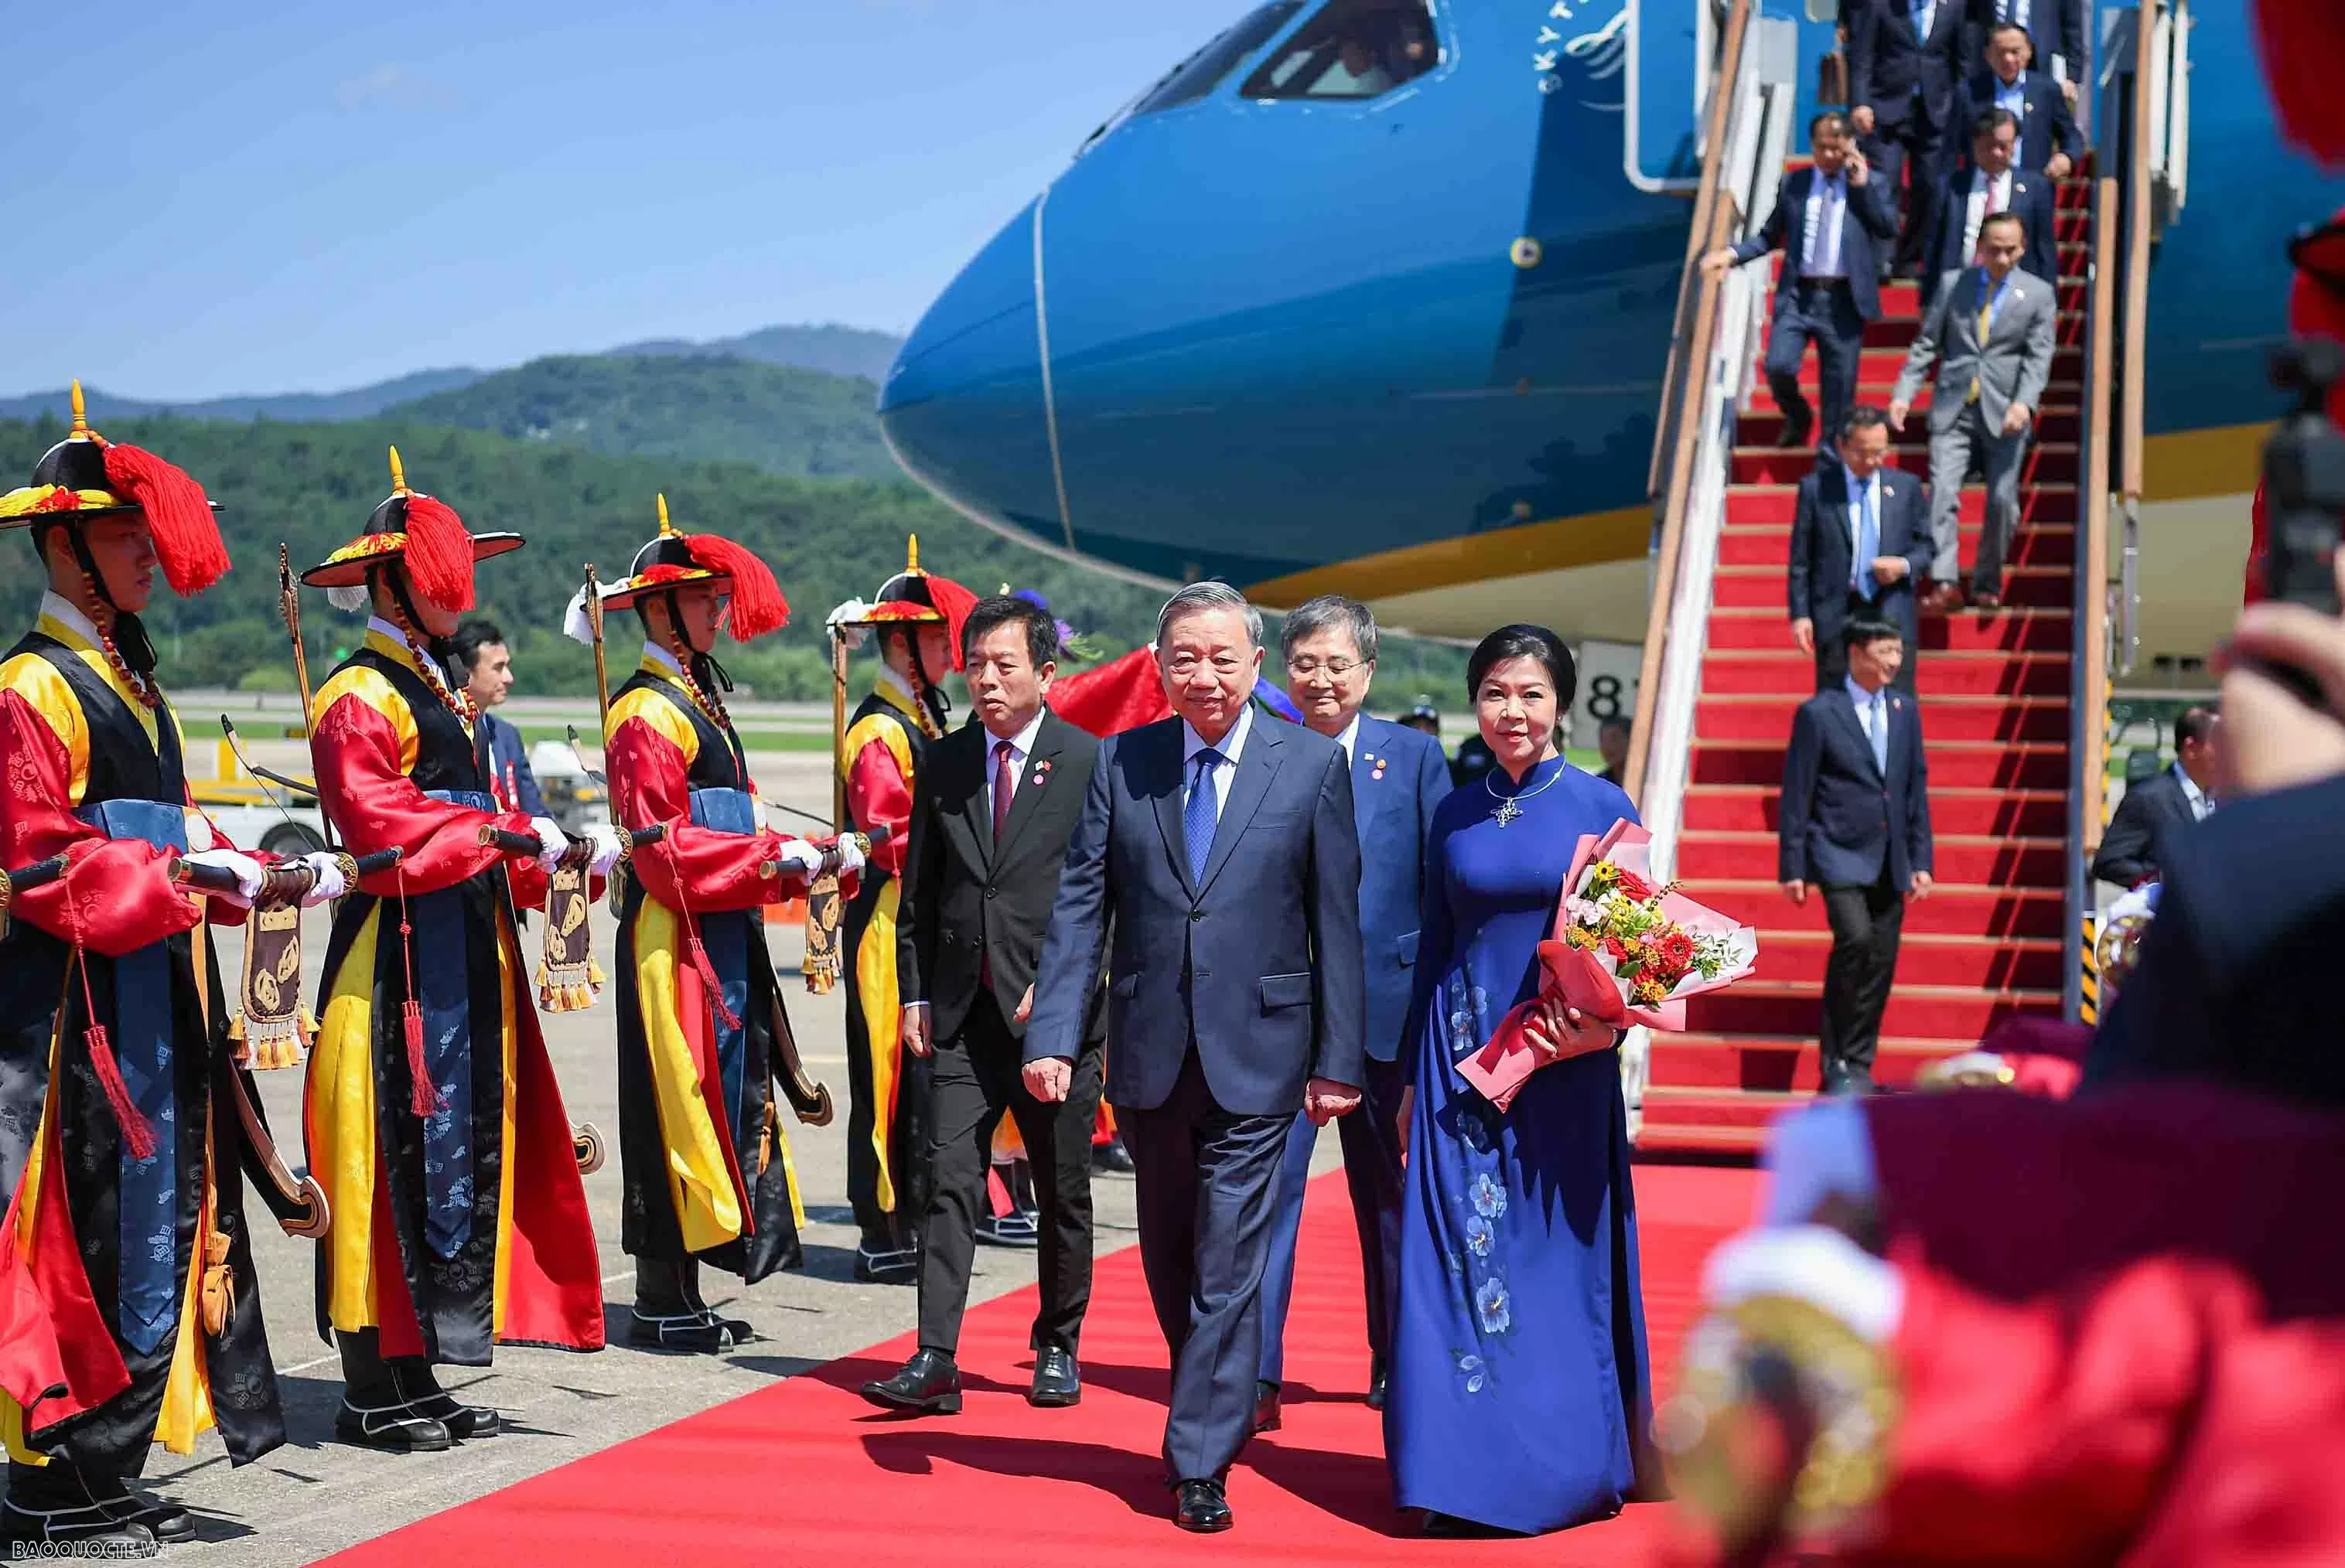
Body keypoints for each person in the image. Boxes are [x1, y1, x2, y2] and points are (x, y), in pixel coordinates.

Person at [0, 393, 326, 1549]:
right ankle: (49, 1479)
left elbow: (180, 825)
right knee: (83, 1229)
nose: (150, 550)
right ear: (64, 543)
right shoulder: (32, 688)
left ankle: (105, 1462)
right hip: (78, 1010)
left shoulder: (133, 684)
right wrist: (184, 878)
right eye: (127, 532)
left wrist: (261, 870)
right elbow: (41, 865)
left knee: (164, 1217)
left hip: (158, 995)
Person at [1024, 581, 1365, 1535]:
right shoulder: (1121, 762)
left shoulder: (1307, 765)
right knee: (1172, 1258)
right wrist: (1053, 1033)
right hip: (1148, 1053)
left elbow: (1334, 921)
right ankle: (1212, 1395)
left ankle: (1197, 1459)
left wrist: (1338, 1058)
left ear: (1257, 664)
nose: (1204, 676)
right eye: (1185, 658)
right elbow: (1082, 907)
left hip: (1263, 1054)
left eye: (1223, 658)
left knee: (1227, 1259)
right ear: (1159, 664)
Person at [300, 448, 619, 1451]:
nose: (458, 593)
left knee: (451, 1161)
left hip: (466, 958)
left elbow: (491, 822)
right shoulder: (363, 693)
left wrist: (560, 860)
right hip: (393, 962)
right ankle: (369, 1380)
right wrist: (492, 836)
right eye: (442, 576)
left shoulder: (438, 690)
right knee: (384, 1161)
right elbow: (375, 824)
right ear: (396, 582)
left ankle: (418, 1366)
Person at [1386, 624, 1659, 1537]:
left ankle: (1563, 1467)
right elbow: (1432, 943)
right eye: (1496, 692)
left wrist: (1595, 1023)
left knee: (1550, 1264)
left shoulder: (1602, 803)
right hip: (1457, 1064)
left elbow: (1637, 956)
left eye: (1531, 694)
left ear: (1561, 705)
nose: (1513, 711)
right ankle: (1454, 1473)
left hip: (1560, 1064)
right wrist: (1406, 1083)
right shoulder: (1452, 811)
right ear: (1476, 700)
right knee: (1453, 1262)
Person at [588, 499, 838, 1352]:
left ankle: (684, 1285)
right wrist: (773, 864)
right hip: (674, 931)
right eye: (701, 599)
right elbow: (661, 853)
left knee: (723, 1098)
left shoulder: (698, 699)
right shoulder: (646, 712)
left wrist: (783, 850)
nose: (717, 610)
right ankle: (661, 1292)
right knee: (674, 1104)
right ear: (658, 610)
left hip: (722, 923)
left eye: (716, 598)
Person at [861, 595, 1106, 1416]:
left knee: (1062, 1189)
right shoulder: (946, 759)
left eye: (1005, 664)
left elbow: (1110, 899)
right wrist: (917, 992)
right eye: (975, 665)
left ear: (1046, 670)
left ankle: (1057, 1342)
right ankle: (935, 1356)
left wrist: (1070, 988)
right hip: (961, 1012)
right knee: (946, 1181)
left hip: (1055, 1019)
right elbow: (920, 892)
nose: (987, 679)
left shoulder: (1086, 762)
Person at [1250, 596, 1449, 1434]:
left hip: (1388, 1019)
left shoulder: (1413, 757)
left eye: (1338, 664)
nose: (1322, 679)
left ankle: (1394, 1361)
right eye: (1306, 664)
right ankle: (1251, 1376)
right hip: (1281, 1021)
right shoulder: (1259, 752)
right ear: (1284, 671)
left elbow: (1444, 889)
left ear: (1367, 671)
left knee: (1392, 1204)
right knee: (1262, 1204)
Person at [829, 540, 978, 1283]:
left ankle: (915, 1215)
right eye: (936, 639)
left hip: (917, 915)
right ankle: (881, 1223)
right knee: (886, 1071)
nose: (951, 652)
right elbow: (890, 835)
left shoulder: (920, 714)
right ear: (900, 643)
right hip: (886, 919)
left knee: (918, 1074)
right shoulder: (881, 729)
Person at [1778, 620, 1935, 1094]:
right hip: (1837, 850)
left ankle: (1858, 1062)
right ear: (1856, 653)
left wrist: (1921, 858)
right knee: (1855, 939)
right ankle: (1836, 1060)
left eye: (1898, 650)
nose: (1895, 660)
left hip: (1892, 855)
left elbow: (1914, 791)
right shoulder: (1819, 713)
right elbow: (1797, 792)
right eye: (1885, 650)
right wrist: (1794, 866)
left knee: (1882, 957)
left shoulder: (1905, 711)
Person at [1889, 211, 2059, 612]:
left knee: (2002, 500)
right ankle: (1945, 582)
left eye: (2010, 250)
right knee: (1942, 494)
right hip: (1954, 407)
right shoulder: (1954, 285)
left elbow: (2039, 356)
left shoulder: (2037, 294)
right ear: (1980, 248)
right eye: (1994, 250)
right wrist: (1903, 394)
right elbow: (1927, 344)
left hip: (2005, 410)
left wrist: (2024, 402)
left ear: (2022, 249)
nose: (2002, 258)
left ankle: (1986, 579)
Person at [1702, 113, 1897, 452]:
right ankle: (1798, 415)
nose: (1830, 156)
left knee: (1839, 395)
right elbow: (1768, 237)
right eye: (1822, 148)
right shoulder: (1795, 183)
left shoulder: (1871, 183)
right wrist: (1731, 255)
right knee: (1778, 365)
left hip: (1844, 301)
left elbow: (1887, 228)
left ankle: (1827, 463)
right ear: (1812, 146)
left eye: (1837, 148)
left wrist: (1861, 186)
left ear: (1850, 147)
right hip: (1800, 295)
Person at [1789, 407, 1932, 689]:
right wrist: (1801, 615)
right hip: (1837, 614)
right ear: (1842, 446)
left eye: (1879, 453)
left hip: (1891, 611)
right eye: (1861, 452)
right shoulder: (1816, 489)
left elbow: (1927, 547)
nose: (1871, 461)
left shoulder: (1906, 487)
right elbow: (1801, 558)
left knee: (1896, 706)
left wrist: (1902, 566)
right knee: (1837, 709)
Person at [1848, 0, 1969, 278]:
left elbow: (1961, 61)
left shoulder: (1953, 8)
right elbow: (1862, 56)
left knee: (1928, 184)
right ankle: (1882, 258)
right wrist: (1860, 102)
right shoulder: (1881, 6)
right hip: (1886, 107)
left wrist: (1964, 111)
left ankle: (1910, 256)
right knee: (1884, 182)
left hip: (1936, 110)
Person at [1921, 109, 2060, 305]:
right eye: (1988, 146)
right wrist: (1926, 301)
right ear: (1975, 144)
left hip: (2016, 299)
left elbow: (2045, 250)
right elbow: (1933, 246)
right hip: (1960, 292)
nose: (1996, 153)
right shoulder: (1951, 186)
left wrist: (2049, 303)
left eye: (2003, 147)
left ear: (2014, 145)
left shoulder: (2035, 189)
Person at [2090, 705, 2220, 889]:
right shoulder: (2148, 799)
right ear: (2191, 748)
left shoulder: (2227, 799)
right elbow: (2109, 862)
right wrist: (2162, 881)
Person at [1960, 22, 2081, 178]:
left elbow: (2071, 136)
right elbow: (1952, 143)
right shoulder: (1969, 91)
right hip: (1981, 186)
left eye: (2015, 52)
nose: (2008, 59)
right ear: (1988, 55)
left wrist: (2067, 157)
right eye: (2001, 52)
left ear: (2029, 51)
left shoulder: (2046, 90)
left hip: (2031, 186)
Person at [450, 619, 545, 817]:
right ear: (464, 672)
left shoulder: (507, 736)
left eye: (507, 667)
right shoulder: (443, 731)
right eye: (498, 668)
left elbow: (536, 812)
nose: (509, 678)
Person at [1965, 0, 2084, 106]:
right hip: (1995, 61)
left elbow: (2072, 26)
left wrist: (2071, 77)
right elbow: (1970, 20)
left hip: (2041, 63)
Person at [1595, 714, 1633, 786]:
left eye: (1615, 739)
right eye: (1603, 740)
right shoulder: (1599, 783)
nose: (1608, 747)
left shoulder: (1652, 782)